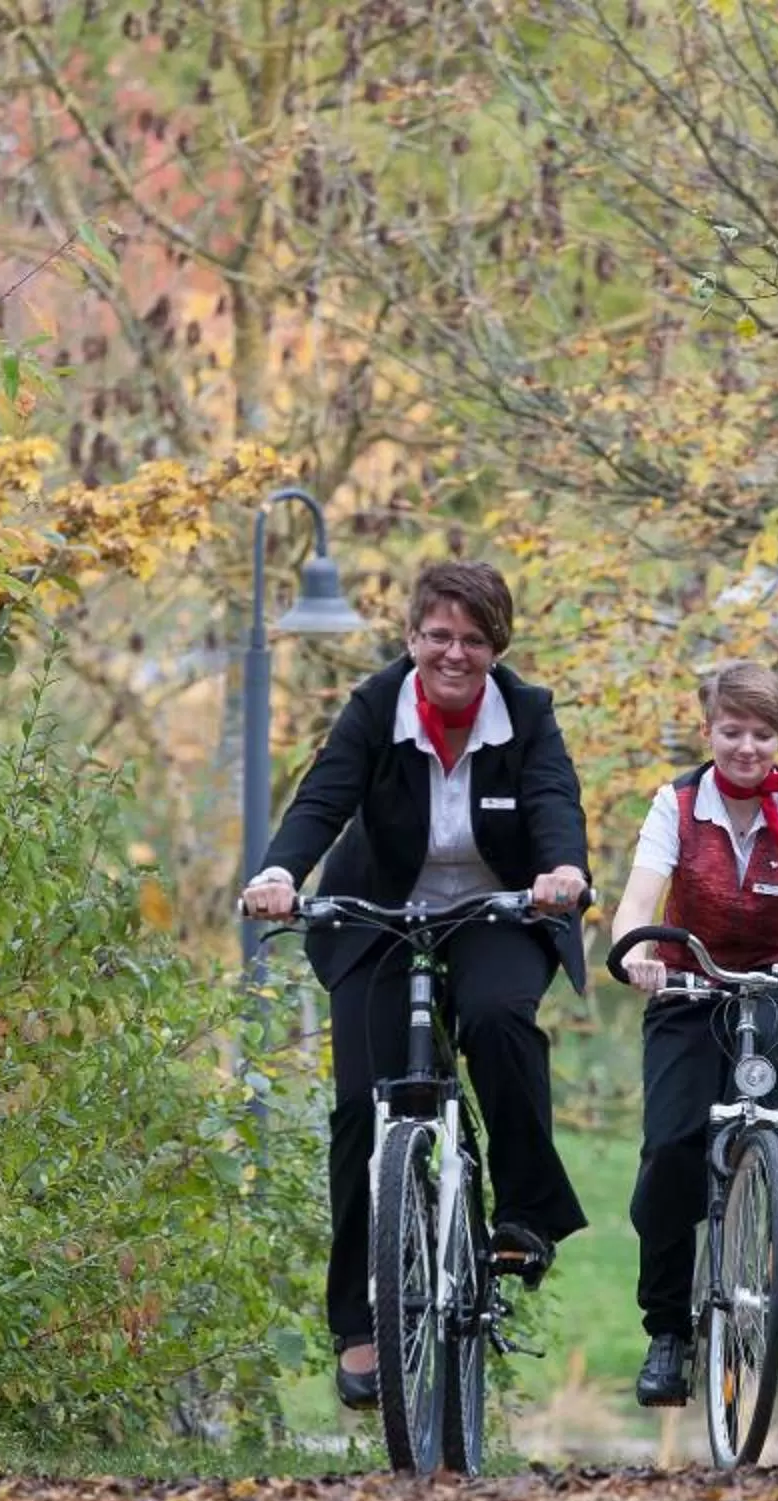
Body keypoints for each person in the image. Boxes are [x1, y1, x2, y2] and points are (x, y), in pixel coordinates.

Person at [240, 559, 593, 1412]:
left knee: (501, 1020)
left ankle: (522, 1220)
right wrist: (281, 871)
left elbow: (554, 803)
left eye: (474, 640)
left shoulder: (529, 715)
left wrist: (563, 869)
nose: (455, 654)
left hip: (497, 911)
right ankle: (358, 1322)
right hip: (380, 914)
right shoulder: (375, 707)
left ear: (496, 648)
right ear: (411, 639)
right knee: (362, 1108)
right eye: (438, 636)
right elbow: (323, 799)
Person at [603, 662, 778, 1407]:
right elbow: (635, 901)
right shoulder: (678, 803)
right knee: (669, 1150)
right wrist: (635, 951)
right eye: (732, 732)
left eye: (762, 734)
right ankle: (667, 1330)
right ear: (709, 732)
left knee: (774, 1064)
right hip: (689, 982)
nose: (747, 748)